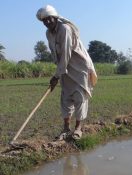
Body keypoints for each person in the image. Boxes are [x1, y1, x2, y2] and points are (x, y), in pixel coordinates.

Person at [36, 5, 97, 140]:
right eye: (44, 21)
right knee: (65, 98)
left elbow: (65, 54)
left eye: (49, 19)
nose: (47, 22)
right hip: (64, 68)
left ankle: (78, 128)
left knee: (79, 97)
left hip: (79, 67)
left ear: (55, 17)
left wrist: (56, 75)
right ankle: (65, 128)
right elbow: (55, 55)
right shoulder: (48, 34)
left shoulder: (65, 29)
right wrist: (59, 72)